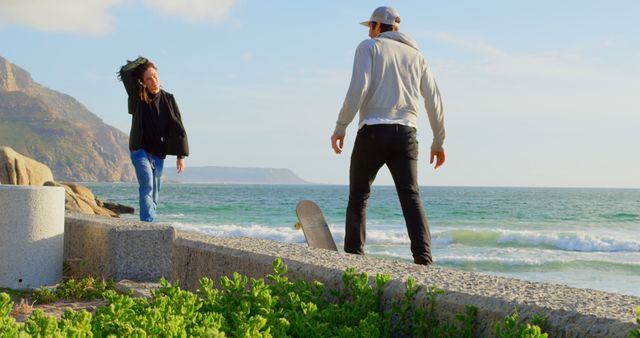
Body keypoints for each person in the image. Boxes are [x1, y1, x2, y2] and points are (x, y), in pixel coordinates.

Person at [330, 6, 445, 265]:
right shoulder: (419, 57)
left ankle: (354, 260)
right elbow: (434, 101)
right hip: (406, 133)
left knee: (359, 196)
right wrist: (438, 141)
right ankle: (424, 259)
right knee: (411, 196)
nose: (369, 33)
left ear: (375, 26)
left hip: (372, 131)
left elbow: (358, 88)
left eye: (370, 27)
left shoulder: (369, 48)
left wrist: (341, 126)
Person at [118, 57, 189, 222]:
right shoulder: (137, 96)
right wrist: (142, 60)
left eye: (155, 76)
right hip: (139, 149)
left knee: (155, 189)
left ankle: (151, 220)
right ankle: (147, 222)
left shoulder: (168, 99)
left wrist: (181, 156)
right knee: (148, 183)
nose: (153, 81)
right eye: (148, 78)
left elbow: (178, 125)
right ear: (143, 81)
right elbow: (125, 71)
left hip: (158, 150)